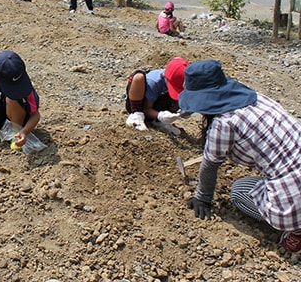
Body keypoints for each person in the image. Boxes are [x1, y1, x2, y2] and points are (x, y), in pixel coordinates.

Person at [179, 60, 301, 253]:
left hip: (293, 193)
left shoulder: (223, 123)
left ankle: (294, 229)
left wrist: (202, 198)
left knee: (238, 191)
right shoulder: (258, 98)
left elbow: (210, 165)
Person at [125, 57, 189, 134]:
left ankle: (158, 122)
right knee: (138, 77)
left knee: (181, 96)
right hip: (141, 105)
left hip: (156, 108)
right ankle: (136, 116)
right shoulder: (154, 82)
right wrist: (160, 115)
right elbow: (146, 109)